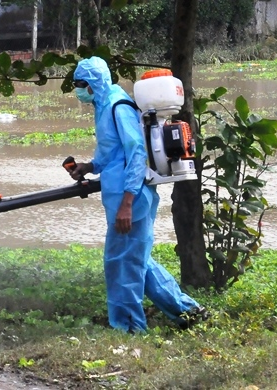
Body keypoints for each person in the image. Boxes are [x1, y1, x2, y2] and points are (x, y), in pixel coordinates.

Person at [68, 56, 207, 333]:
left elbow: (136, 154)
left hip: (131, 198)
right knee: (138, 259)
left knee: (121, 265)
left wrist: (127, 204)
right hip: (121, 196)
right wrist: (90, 166)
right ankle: (188, 312)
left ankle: (129, 328)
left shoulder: (118, 106)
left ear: (94, 83)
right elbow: (112, 153)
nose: (78, 90)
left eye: (81, 84)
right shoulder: (104, 104)